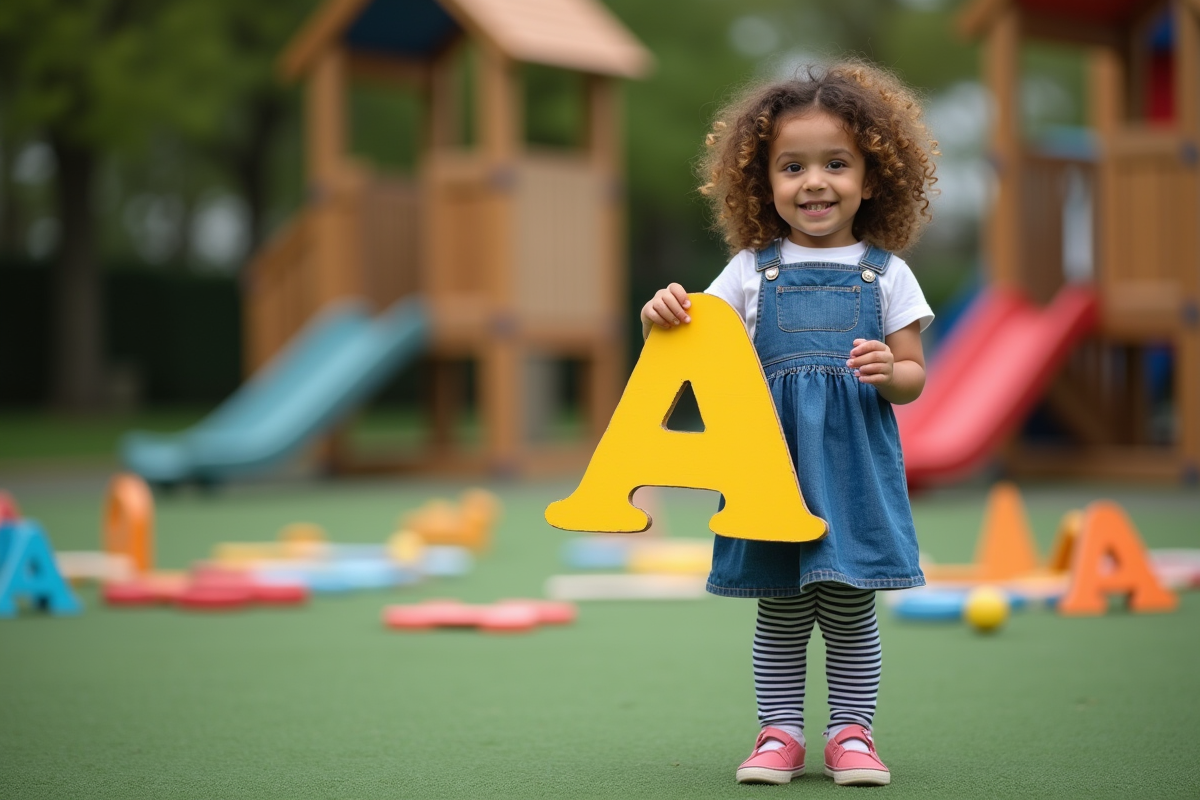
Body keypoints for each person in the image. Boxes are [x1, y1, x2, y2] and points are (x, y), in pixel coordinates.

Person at [640, 61, 938, 787]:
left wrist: (888, 374)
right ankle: (778, 734)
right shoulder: (748, 271)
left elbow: (914, 375)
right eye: (792, 166)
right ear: (762, 182)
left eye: (836, 164)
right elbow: (694, 346)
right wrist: (663, 315)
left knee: (846, 606)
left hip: (851, 468)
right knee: (779, 606)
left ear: (872, 178)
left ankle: (851, 735)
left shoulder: (886, 273)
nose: (814, 182)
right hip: (769, 469)